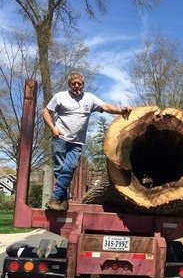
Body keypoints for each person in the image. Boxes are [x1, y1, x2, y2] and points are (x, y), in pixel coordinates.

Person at [43, 71, 131, 211]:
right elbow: (46, 111)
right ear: (69, 84)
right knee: (59, 170)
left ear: (83, 84)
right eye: (74, 83)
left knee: (69, 168)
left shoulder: (89, 98)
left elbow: (106, 107)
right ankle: (63, 201)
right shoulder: (60, 96)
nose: (77, 86)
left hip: (77, 142)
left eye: (79, 83)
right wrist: (53, 128)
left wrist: (120, 111)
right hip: (60, 138)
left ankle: (55, 198)